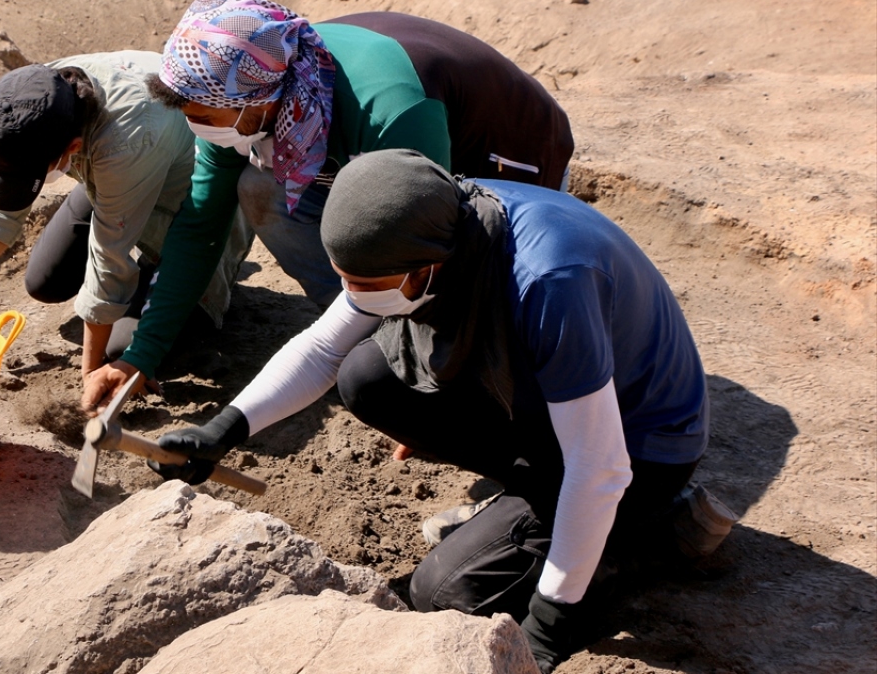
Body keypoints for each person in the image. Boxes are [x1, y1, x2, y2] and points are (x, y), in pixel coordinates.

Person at [149, 149, 726, 672]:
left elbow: (599, 466)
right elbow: (324, 348)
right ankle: (530, 513)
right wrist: (223, 429)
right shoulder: (443, 217)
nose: (353, 294)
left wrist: (550, 629)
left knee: (444, 593)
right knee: (368, 377)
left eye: (364, 284)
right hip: (559, 412)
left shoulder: (550, 282)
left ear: (426, 267)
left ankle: (643, 538)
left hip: (642, 446)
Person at [82, 0, 575, 414]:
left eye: (206, 115)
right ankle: (369, 334)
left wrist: (443, 372)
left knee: (477, 280)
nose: (201, 128)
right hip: (380, 144)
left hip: (505, 158)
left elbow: (444, 242)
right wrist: (140, 355)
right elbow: (199, 226)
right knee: (261, 188)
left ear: (259, 97)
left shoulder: (391, 112)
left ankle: (438, 365)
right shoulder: (242, 86)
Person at [0, 53, 252, 379]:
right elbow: (1, 211)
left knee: (120, 351)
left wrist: (89, 373)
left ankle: (185, 280)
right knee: (45, 282)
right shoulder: (36, 94)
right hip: (122, 173)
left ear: (73, 146)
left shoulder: (125, 138)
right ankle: (140, 275)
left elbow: (108, 258)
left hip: (193, 203)